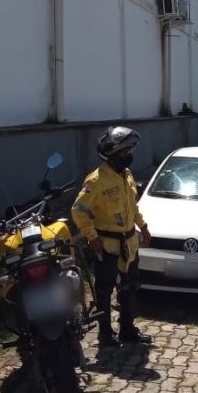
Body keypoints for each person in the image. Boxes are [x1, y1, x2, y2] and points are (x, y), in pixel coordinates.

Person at [72, 126, 152, 347]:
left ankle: (128, 329)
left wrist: (143, 227)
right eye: (125, 151)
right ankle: (105, 334)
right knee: (105, 291)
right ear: (112, 154)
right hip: (107, 245)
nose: (129, 155)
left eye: (130, 151)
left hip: (129, 243)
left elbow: (132, 206)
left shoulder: (126, 176)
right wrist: (91, 236)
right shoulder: (96, 181)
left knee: (129, 288)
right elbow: (78, 211)